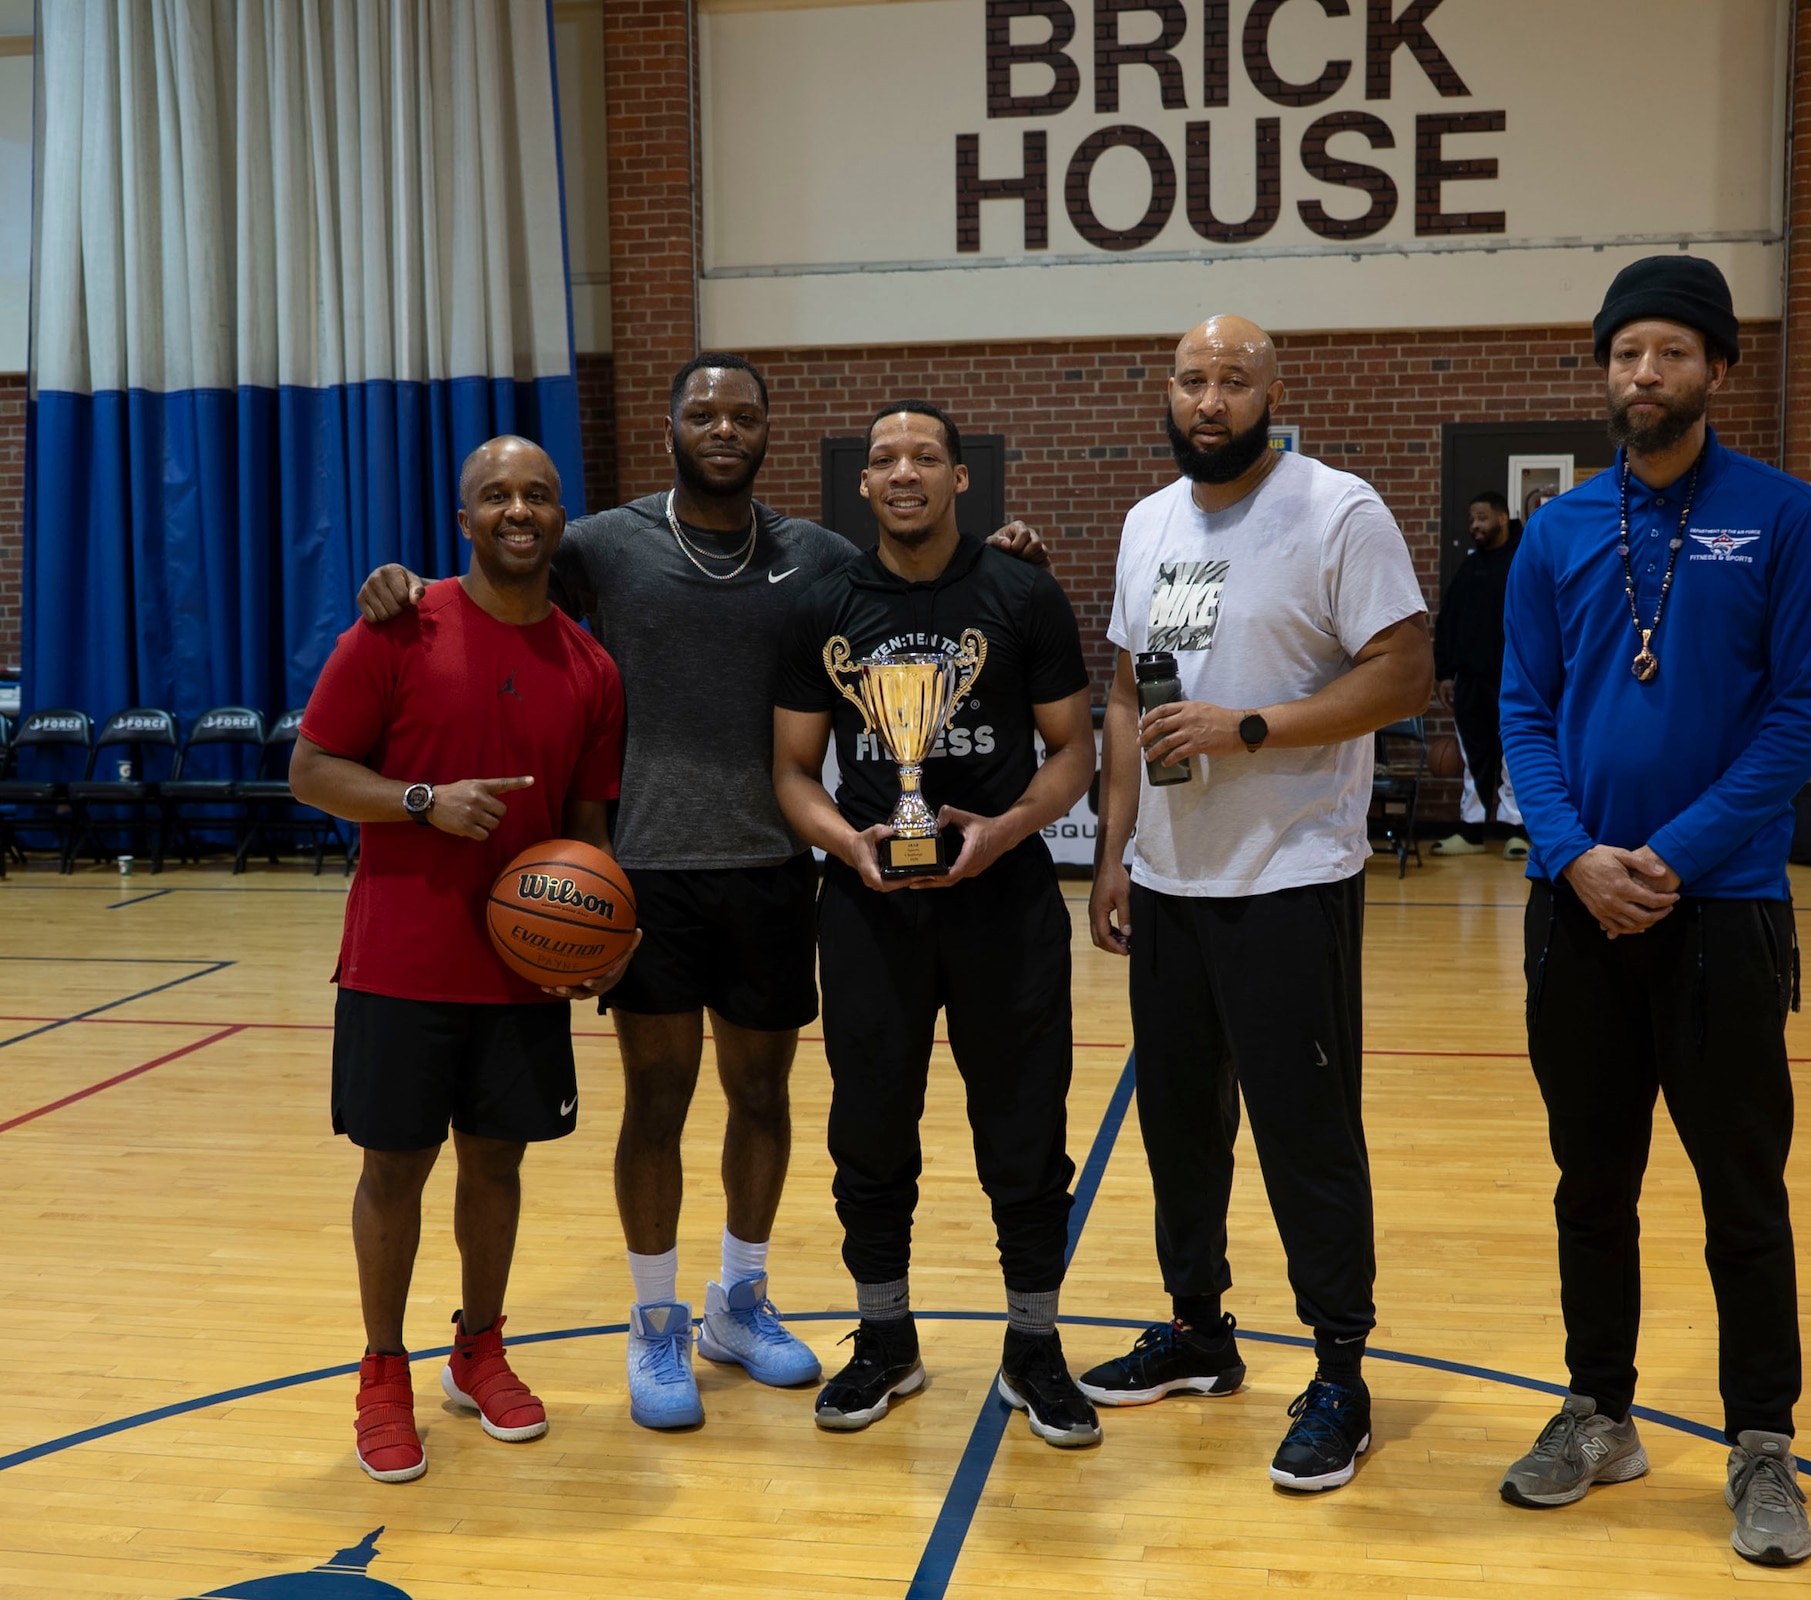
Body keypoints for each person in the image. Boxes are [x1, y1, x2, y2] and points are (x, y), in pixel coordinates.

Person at [354, 355, 1046, 1431]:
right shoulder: (601, 543)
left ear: (769, 432)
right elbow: (504, 555)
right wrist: (397, 580)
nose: (722, 428)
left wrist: (1005, 555)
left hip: (774, 865)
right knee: (658, 1101)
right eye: (702, 413)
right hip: (644, 872)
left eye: (743, 414)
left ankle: (741, 1298)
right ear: (672, 426)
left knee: (763, 1097)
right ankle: (654, 1318)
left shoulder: (815, 555)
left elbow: (914, 584)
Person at [1497, 256, 1811, 1566]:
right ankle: (1601, 1414)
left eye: (1671, 353)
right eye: (1625, 352)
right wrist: (1578, 853)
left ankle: (1763, 1445)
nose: (1644, 374)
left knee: (1742, 1192)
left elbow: (1807, 709)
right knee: (1593, 1183)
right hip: (1574, 908)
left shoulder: (1785, 516)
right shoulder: (1561, 529)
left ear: (1716, 369)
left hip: (1726, 912)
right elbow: (1522, 708)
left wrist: (1677, 857)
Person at [1082, 315, 1431, 1490]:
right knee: (1179, 1124)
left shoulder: (1337, 509)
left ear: (1272, 391)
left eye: (1233, 380)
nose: (1209, 400)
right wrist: (1115, 846)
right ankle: (1197, 1331)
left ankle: (1338, 1371)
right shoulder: (1145, 523)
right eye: (1190, 380)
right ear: (1166, 393)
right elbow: (1127, 696)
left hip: (1288, 874)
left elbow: (1401, 671)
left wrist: (1251, 728)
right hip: (1169, 882)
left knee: (1304, 1135)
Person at [292, 437, 631, 1483]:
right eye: (496, 495)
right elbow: (310, 770)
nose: (517, 509)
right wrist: (419, 803)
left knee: (497, 1161)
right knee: (393, 1167)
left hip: (521, 967)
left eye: (536, 493)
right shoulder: (398, 626)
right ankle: (382, 1371)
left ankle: (477, 1346)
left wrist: (602, 934)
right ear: (464, 518)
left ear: (559, 514)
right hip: (399, 958)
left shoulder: (590, 667)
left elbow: (586, 831)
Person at [771, 400, 1100, 1447]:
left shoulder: (1020, 592)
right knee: (868, 1131)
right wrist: (845, 840)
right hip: (870, 911)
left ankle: (1033, 1342)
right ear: (862, 486)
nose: (902, 470)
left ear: (961, 477)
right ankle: (883, 1337)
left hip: (1002, 904)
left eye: (924, 455)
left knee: (1023, 1132)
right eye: (883, 458)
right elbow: (788, 769)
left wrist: (1001, 830)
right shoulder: (819, 604)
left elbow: (1072, 753)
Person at [1432, 490, 1528, 859]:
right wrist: (1444, 673)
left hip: (1515, 680)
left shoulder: (1523, 560)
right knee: (1473, 756)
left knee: (1514, 756)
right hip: (1470, 681)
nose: (1475, 526)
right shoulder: (1469, 568)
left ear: (1503, 519)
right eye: (1472, 519)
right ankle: (1471, 832)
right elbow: (1448, 623)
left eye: (1482, 518)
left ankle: (1515, 831)